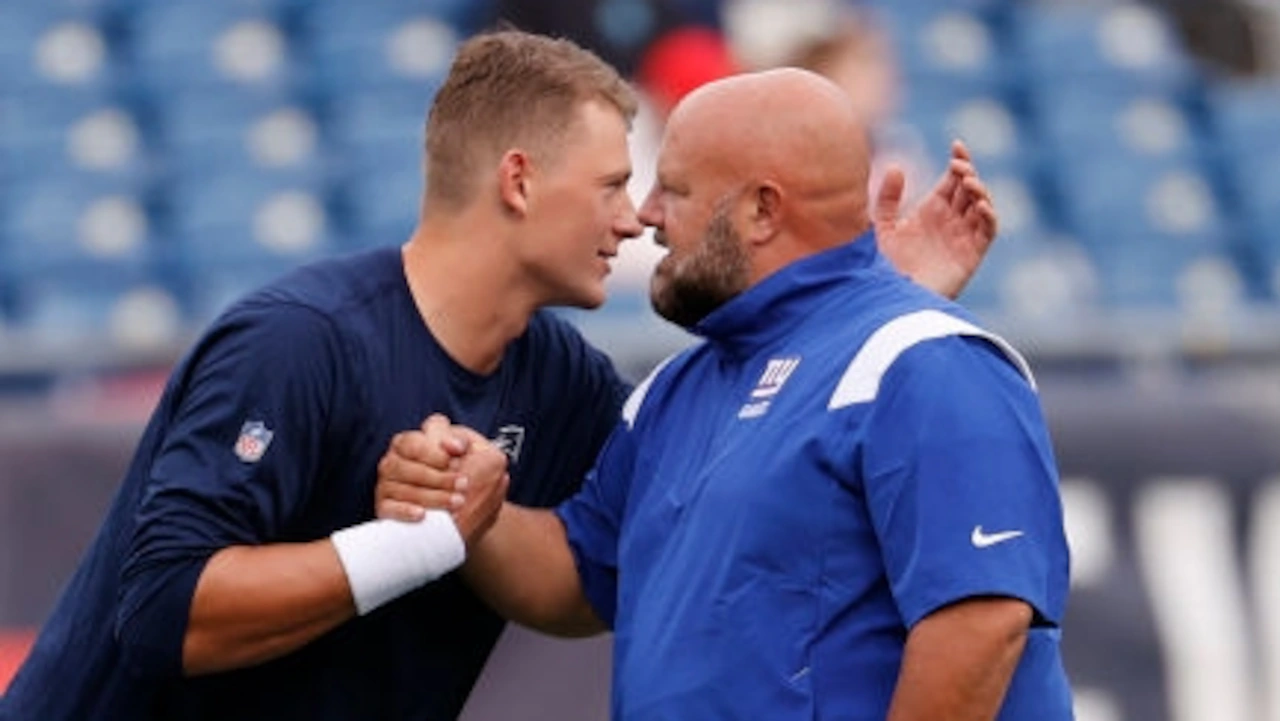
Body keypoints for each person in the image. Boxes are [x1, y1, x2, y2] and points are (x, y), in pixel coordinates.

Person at [1, 30, 1000, 721]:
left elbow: (643, 537)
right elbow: (166, 609)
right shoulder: (297, 341)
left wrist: (870, 304)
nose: (636, 217)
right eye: (613, 185)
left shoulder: (562, 379)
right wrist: (416, 542)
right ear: (518, 181)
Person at [378, 68, 1072, 720]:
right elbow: (577, 575)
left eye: (672, 191)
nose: (645, 215)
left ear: (762, 210)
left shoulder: (922, 359)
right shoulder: (675, 389)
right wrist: (473, 502)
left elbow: (980, 622)